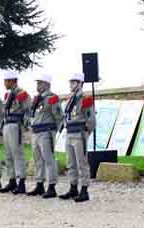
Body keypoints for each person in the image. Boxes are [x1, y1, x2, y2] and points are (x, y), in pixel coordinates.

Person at [59, 72, 95, 202]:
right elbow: (66, 116)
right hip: (70, 132)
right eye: (70, 82)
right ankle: (73, 187)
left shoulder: (85, 98)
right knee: (70, 162)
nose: (71, 84)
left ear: (80, 84)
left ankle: (84, 190)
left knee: (82, 162)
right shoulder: (70, 99)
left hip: (79, 133)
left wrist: (85, 132)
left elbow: (91, 119)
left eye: (74, 82)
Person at [27, 73, 62, 198]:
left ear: (47, 84)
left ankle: (51, 185)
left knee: (48, 159)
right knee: (38, 160)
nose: (38, 85)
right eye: (37, 83)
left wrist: (53, 130)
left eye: (40, 83)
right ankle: (39, 183)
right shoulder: (37, 99)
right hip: (36, 132)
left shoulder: (52, 98)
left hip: (46, 131)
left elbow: (58, 116)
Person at [0, 71, 30, 195]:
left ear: (13, 81)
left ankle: (21, 181)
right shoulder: (7, 95)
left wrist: (25, 124)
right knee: (8, 155)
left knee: (17, 154)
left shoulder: (21, 94)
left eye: (7, 81)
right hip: (7, 124)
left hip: (16, 124)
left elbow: (28, 108)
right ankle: (11, 179)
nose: (5, 83)